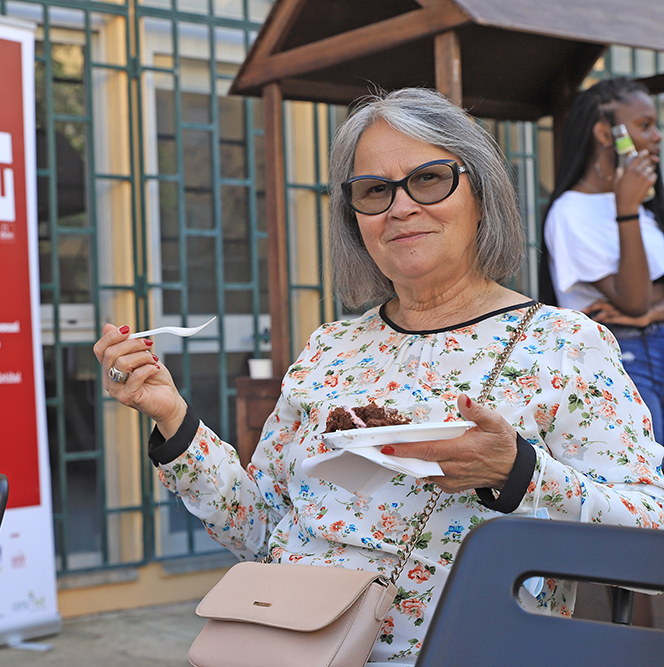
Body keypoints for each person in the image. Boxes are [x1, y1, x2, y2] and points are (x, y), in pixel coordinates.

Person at [94, 87, 664, 665]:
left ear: (482, 197)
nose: (401, 207)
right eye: (375, 191)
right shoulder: (332, 347)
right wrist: (170, 412)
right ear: (356, 220)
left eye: (430, 179)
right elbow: (259, 526)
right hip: (300, 648)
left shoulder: (561, 344)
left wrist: (518, 472)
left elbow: (650, 536)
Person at [541, 77, 664, 444]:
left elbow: (644, 304)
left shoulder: (640, 203)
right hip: (623, 359)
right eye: (644, 125)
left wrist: (651, 314)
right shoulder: (571, 213)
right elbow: (634, 299)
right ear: (606, 133)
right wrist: (626, 210)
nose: (657, 135)